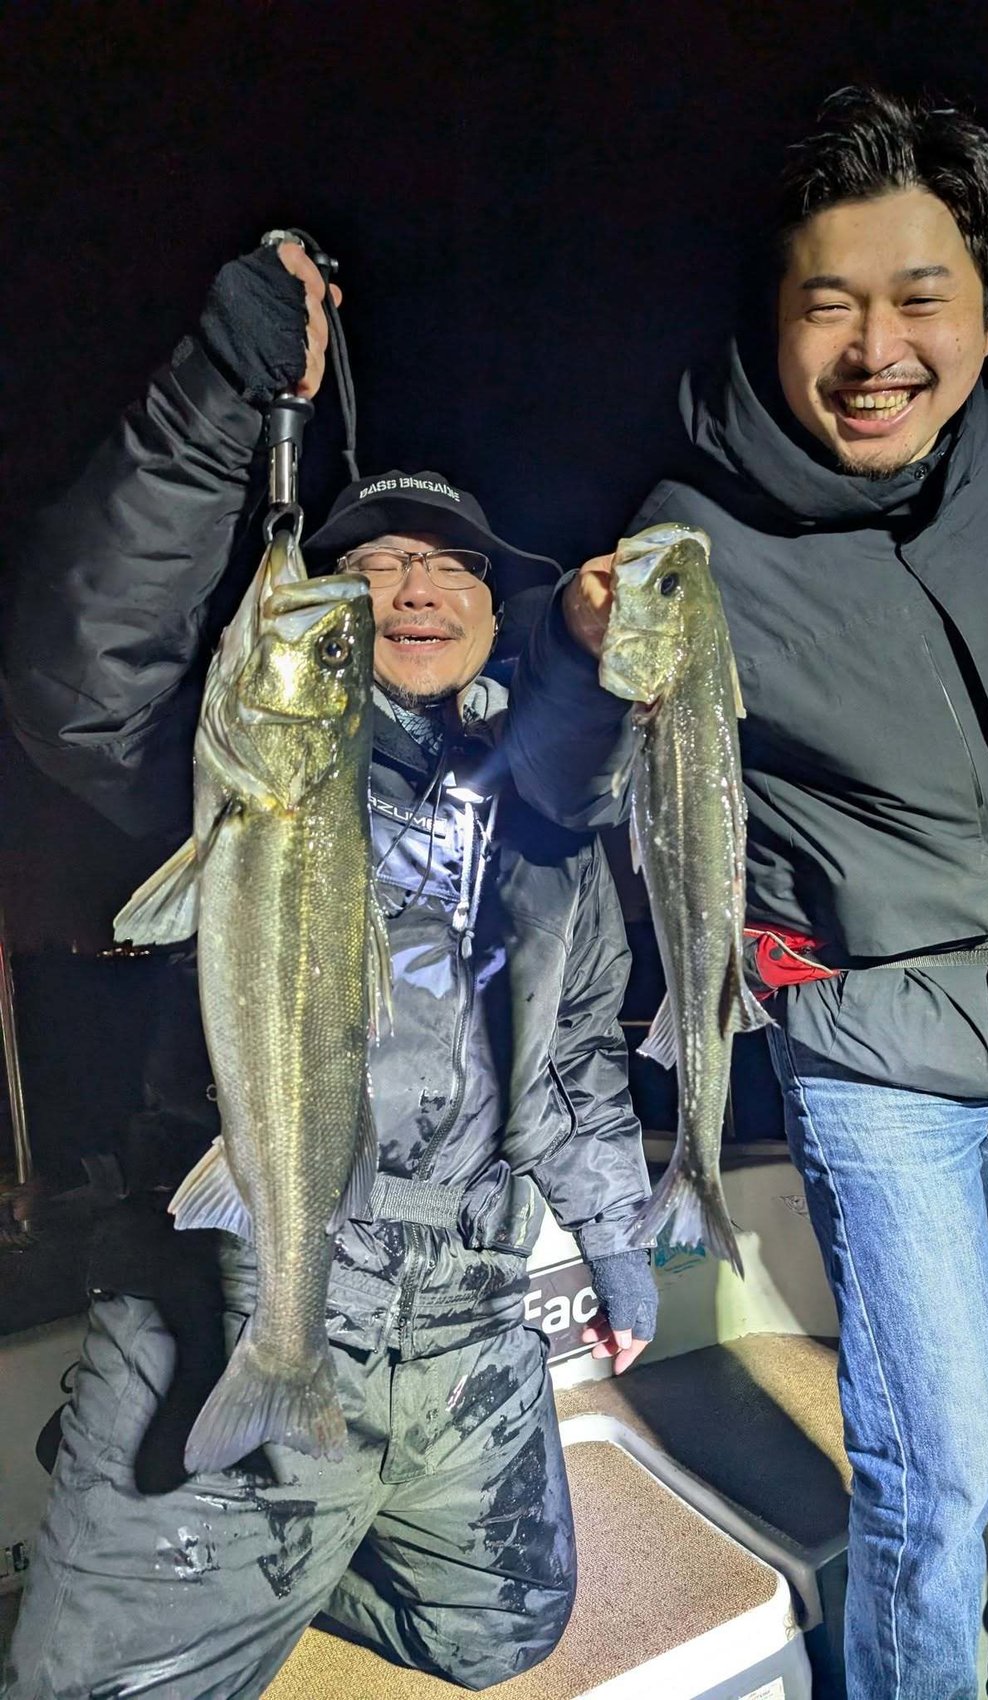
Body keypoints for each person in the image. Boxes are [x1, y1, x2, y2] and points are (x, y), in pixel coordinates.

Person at [506, 87, 988, 1700]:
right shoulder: (688, 539)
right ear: (778, 318)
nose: (877, 349)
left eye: (920, 299)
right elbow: (563, 790)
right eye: (831, 305)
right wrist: (580, 658)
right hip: (871, 1042)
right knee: (934, 1458)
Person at [0, 240, 657, 1698]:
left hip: (469, 1312)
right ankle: (156, 1522)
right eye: (371, 565)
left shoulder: (547, 823)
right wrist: (213, 403)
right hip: (249, 1281)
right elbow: (83, 676)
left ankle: (273, 1554)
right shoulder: (242, 771)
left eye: (450, 564)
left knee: (501, 1633)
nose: (413, 586)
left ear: (496, 610)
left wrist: (613, 1230)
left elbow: (573, 1059)